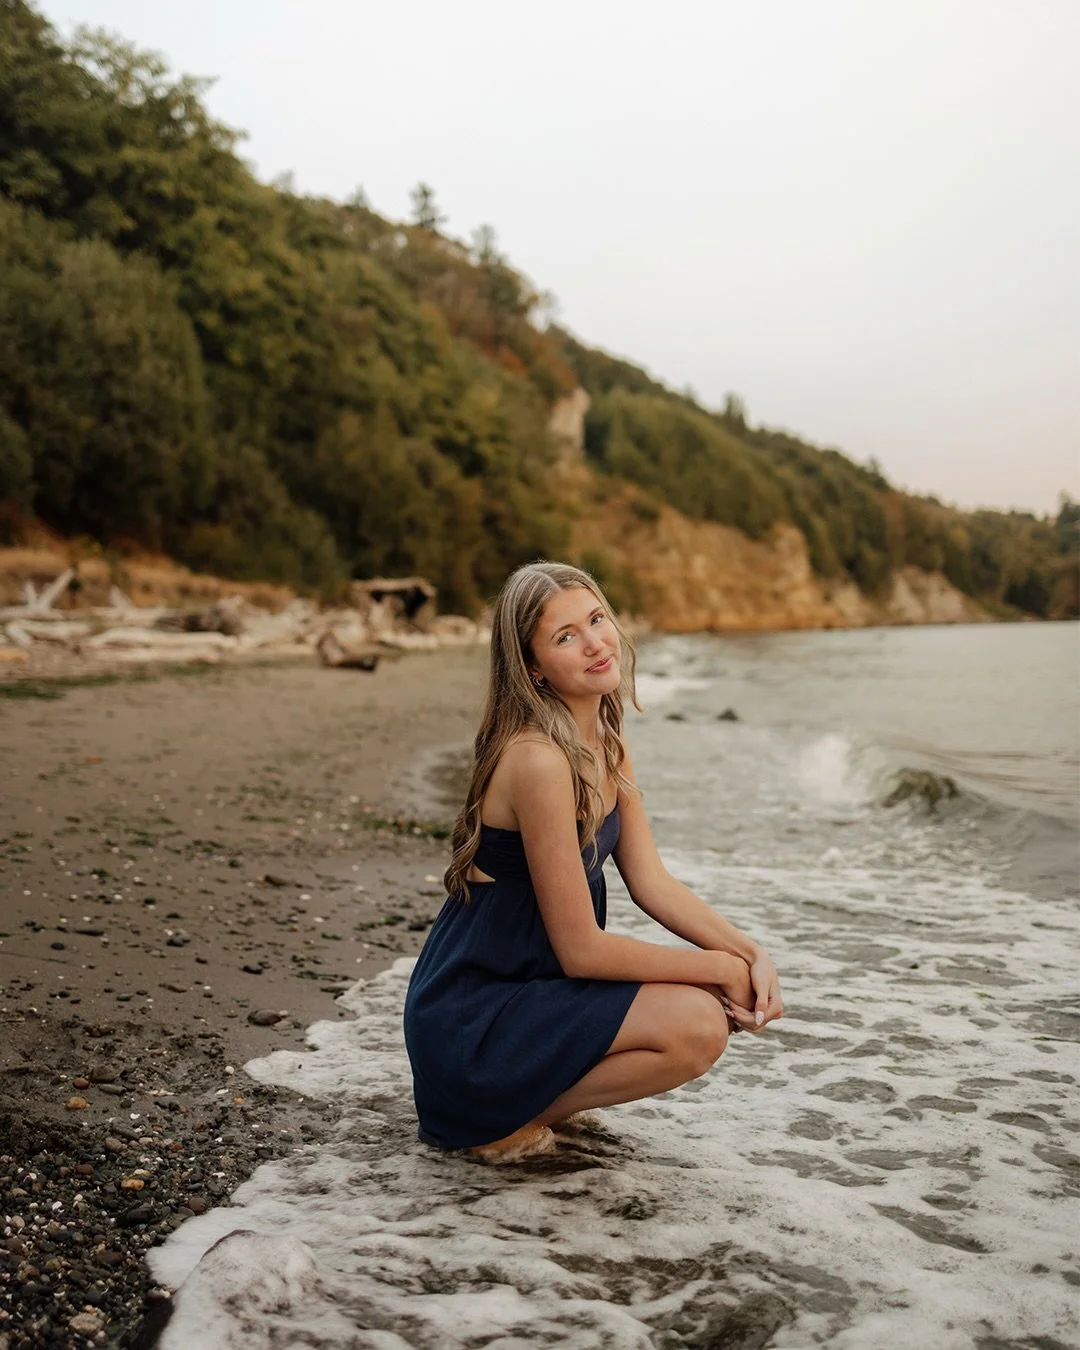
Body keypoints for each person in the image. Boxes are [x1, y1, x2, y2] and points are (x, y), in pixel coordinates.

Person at [403, 561, 783, 1162]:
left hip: (532, 994)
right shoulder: (538, 761)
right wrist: (711, 968)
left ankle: (507, 1104)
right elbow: (581, 949)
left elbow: (651, 880)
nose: (595, 643)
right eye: (565, 636)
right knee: (698, 1022)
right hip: (472, 1017)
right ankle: (486, 1117)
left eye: (597, 619)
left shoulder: (606, 740)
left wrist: (748, 954)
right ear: (531, 666)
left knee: (703, 1011)